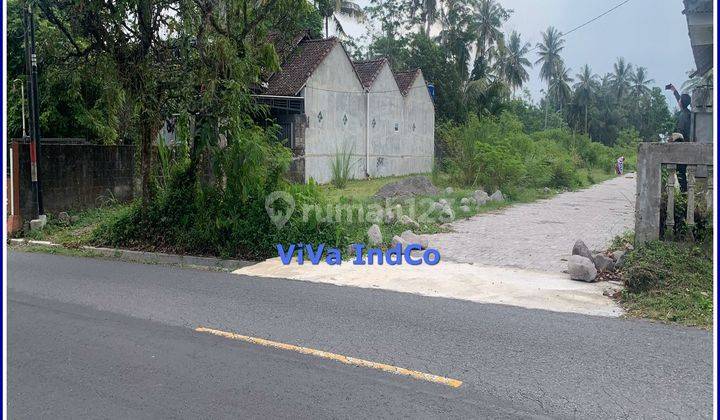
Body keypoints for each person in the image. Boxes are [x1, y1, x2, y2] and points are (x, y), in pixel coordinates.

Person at [666, 84, 691, 191]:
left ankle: (684, 194)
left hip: (681, 148)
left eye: (679, 100)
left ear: (681, 102)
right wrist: (674, 91)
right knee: (682, 173)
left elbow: (679, 134)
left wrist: (671, 140)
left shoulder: (682, 116)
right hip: (687, 146)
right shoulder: (688, 113)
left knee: (681, 174)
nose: (679, 101)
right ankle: (684, 193)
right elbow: (682, 102)